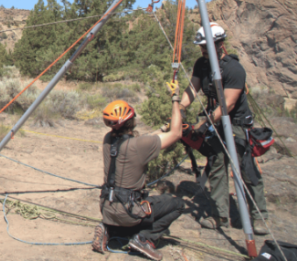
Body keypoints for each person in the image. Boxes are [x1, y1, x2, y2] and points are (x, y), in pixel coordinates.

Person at [179, 23, 268, 234]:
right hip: (216, 123)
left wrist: (205, 124)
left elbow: (228, 104)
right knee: (217, 168)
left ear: (219, 44)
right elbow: (193, 88)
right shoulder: (201, 64)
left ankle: (259, 218)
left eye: (206, 45)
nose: (203, 49)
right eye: (201, 45)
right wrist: (180, 106)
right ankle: (220, 216)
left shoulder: (233, 68)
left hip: (236, 124)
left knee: (247, 170)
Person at [92, 85, 184, 261]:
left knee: (126, 213)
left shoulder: (108, 139)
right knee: (178, 204)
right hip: (129, 211)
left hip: (107, 207)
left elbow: (140, 140)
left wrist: (161, 130)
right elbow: (177, 133)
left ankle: (109, 228)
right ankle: (144, 239)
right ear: (130, 122)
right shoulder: (140, 146)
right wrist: (175, 99)